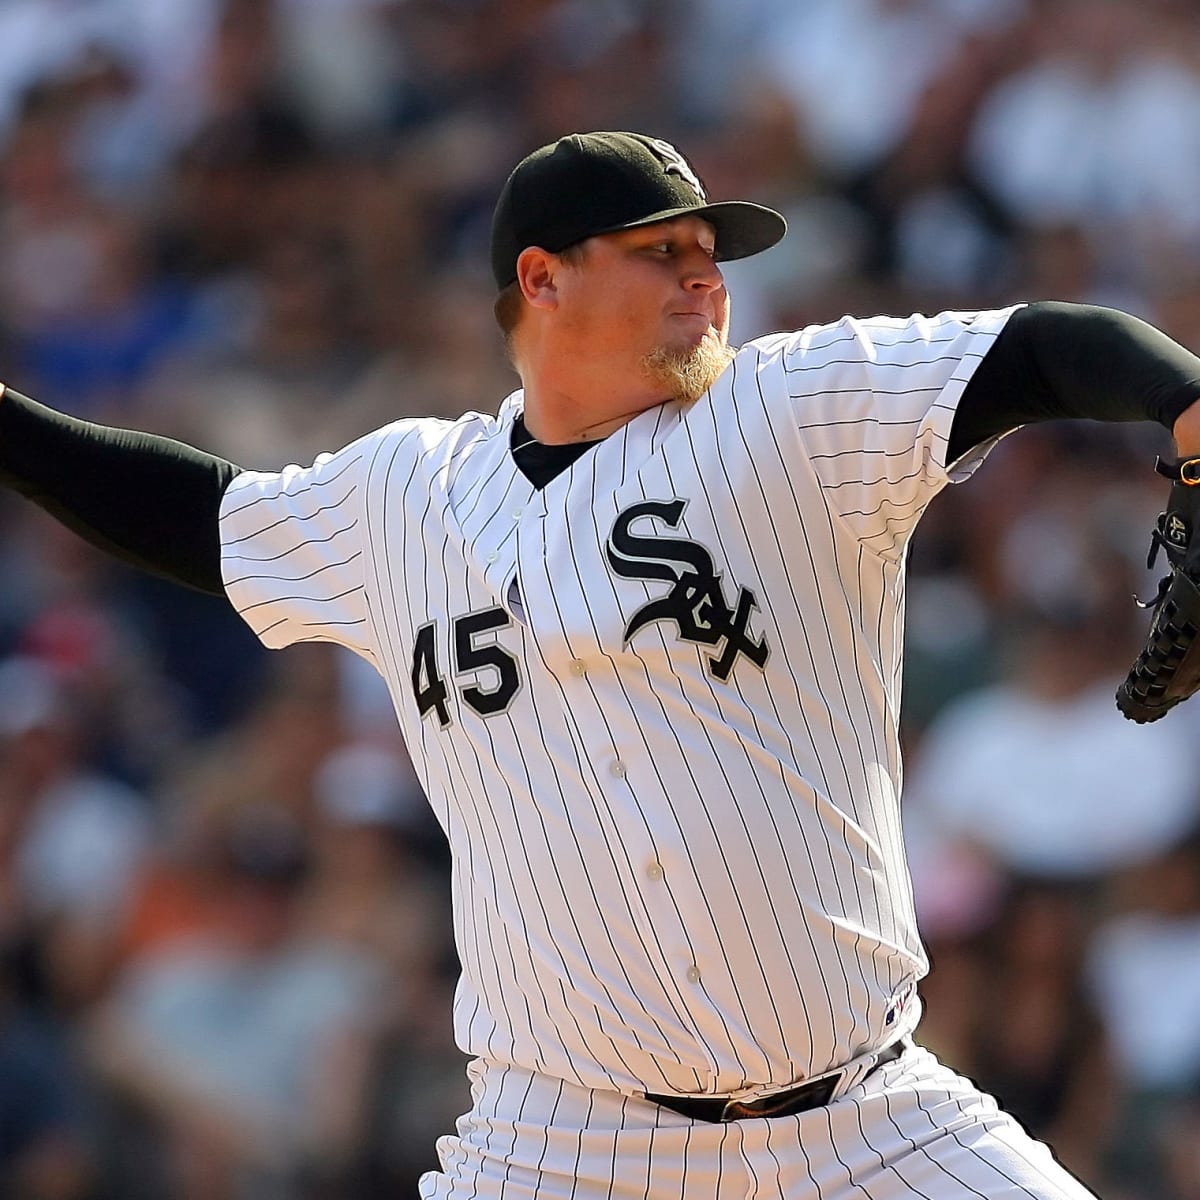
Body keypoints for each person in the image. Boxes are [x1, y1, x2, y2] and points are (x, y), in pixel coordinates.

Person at [1, 129, 1199, 1199]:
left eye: (709, 252)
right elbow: (189, 516)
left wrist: (1187, 405)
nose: (705, 275)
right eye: (661, 250)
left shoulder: (784, 414)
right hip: (562, 1145)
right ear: (541, 277)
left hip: (865, 1121)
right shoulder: (402, 495)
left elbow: (1044, 351)